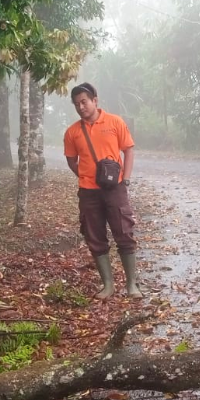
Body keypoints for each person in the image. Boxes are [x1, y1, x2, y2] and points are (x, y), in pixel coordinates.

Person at [63, 82, 141, 298]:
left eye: (84, 102)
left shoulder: (115, 122)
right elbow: (71, 161)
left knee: (124, 232)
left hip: (115, 188)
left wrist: (125, 179)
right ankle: (108, 285)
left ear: (95, 100)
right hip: (88, 192)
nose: (81, 107)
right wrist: (86, 176)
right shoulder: (72, 132)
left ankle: (132, 285)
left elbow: (129, 150)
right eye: (76, 104)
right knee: (94, 236)